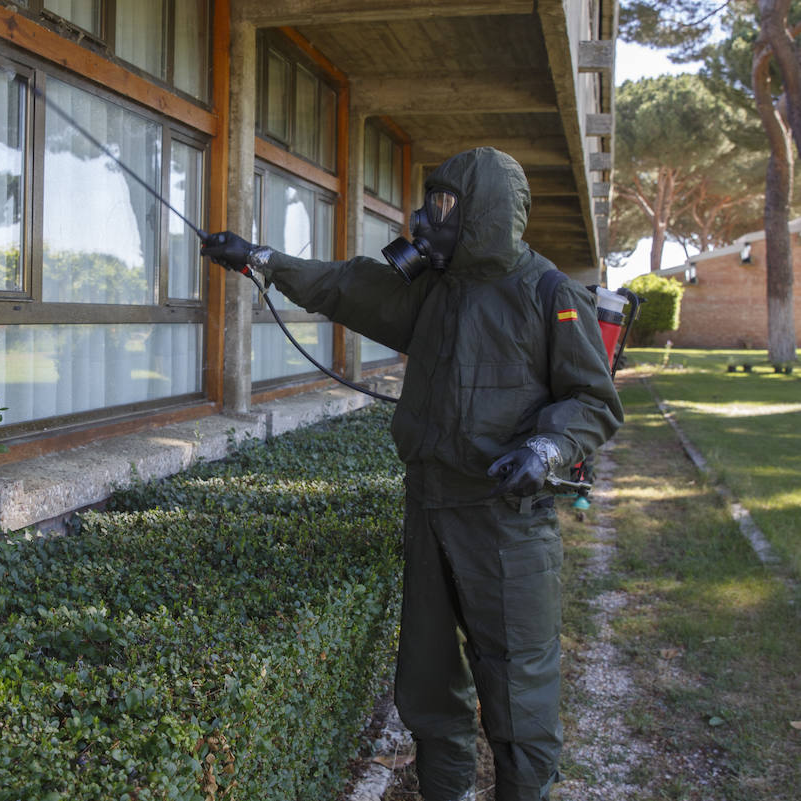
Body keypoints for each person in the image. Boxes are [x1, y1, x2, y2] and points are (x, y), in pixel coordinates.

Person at [201, 147, 623, 801]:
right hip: (429, 506)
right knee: (428, 682)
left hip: (504, 520)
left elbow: (593, 400)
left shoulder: (548, 293)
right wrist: (261, 259)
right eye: (431, 201)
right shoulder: (435, 290)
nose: (428, 217)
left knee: (518, 682)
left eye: (445, 204)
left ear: (483, 211)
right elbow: (344, 283)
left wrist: (544, 449)